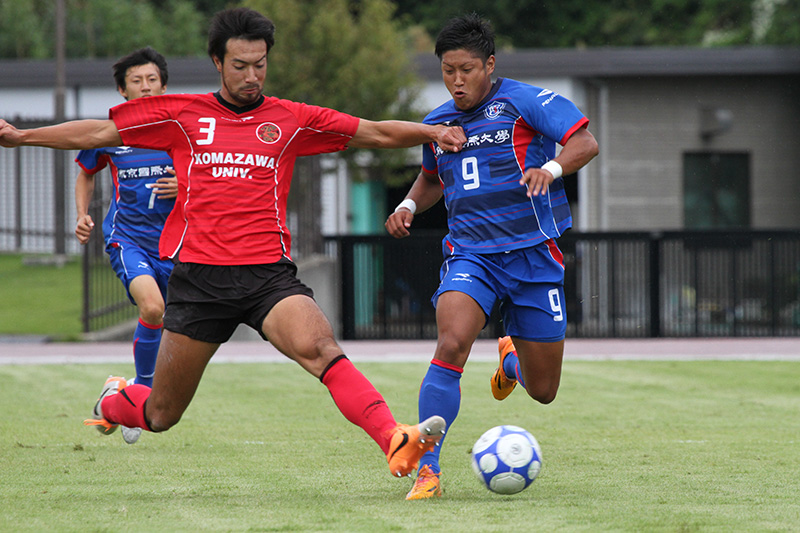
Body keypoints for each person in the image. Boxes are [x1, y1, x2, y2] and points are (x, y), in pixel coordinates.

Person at [0, 7, 467, 480]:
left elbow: (374, 131)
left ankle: (394, 438)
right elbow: (99, 132)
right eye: (240, 65)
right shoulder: (182, 114)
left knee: (323, 349)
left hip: (268, 277)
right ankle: (115, 399)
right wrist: (23, 137)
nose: (251, 75)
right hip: (200, 282)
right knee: (161, 414)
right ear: (217, 63)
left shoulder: (291, 118)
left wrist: (429, 131)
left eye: (260, 64)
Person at [385, 13, 599, 499]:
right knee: (451, 344)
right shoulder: (437, 122)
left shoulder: (525, 102)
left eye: (466, 69)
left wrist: (549, 167)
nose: (456, 81)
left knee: (543, 390)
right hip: (471, 255)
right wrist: (407, 204)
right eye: (447, 71)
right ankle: (428, 471)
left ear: (490, 64)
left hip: (533, 256)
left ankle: (510, 363)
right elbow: (433, 179)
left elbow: (585, 142)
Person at [74, 47, 178, 445]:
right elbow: (86, 172)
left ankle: (124, 388)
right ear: (123, 90)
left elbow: (210, 175)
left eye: (152, 80)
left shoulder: (180, 131)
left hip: (175, 244)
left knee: (177, 328)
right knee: (152, 307)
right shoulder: (113, 133)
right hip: (128, 240)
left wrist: (185, 185)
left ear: (164, 86)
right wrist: (82, 215)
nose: (146, 86)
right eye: (137, 81)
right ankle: (141, 399)